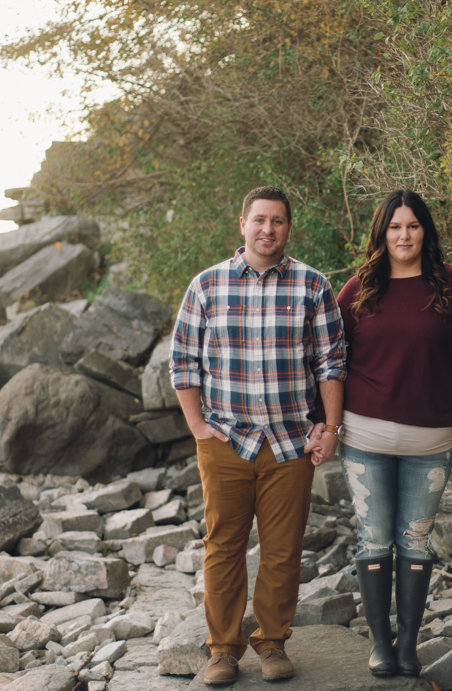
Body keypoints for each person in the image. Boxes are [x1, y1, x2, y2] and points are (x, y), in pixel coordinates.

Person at [169, 186, 347, 686]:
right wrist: (198, 428)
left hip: (291, 443)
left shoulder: (313, 285)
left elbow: (332, 361)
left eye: (279, 221)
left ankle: (272, 642)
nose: (268, 229)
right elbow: (183, 362)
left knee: (283, 549)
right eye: (260, 220)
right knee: (223, 545)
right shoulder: (207, 285)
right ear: (242, 224)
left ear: (289, 228)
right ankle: (222, 650)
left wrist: (330, 428)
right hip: (226, 440)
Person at [336, 189, 452, 677]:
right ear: (381, 234)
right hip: (365, 440)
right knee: (374, 539)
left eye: (412, 226)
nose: (403, 236)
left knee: (416, 541)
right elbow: (329, 360)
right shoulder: (358, 289)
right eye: (394, 227)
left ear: (426, 231)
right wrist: (320, 421)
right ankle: (381, 645)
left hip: (433, 442)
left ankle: (409, 644)